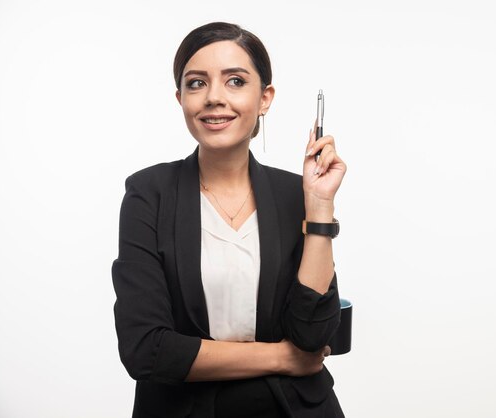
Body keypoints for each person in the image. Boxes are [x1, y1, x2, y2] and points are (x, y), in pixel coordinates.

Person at [111, 22, 347, 418]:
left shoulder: (295, 194)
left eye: (235, 81)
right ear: (180, 97)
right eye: (197, 83)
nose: (214, 98)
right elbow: (146, 350)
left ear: (265, 98)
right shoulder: (148, 194)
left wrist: (319, 206)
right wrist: (282, 358)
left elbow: (313, 335)